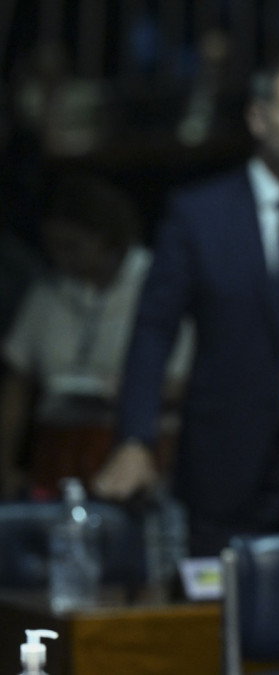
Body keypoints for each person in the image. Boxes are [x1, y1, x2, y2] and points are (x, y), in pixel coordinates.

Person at [91, 56, 279, 555]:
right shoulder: (199, 215)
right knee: (216, 618)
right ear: (258, 118)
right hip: (225, 455)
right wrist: (136, 439)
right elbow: (153, 331)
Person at [1, 173, 192, 501]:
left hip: (135, 445)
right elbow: (17, 384)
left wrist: (136, 393)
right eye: (54, 247)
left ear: (107, 239)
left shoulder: (155, 282)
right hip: (58, 451)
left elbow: (190, 378)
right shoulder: (47, 291)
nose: (62, 257)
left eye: (73, 246)